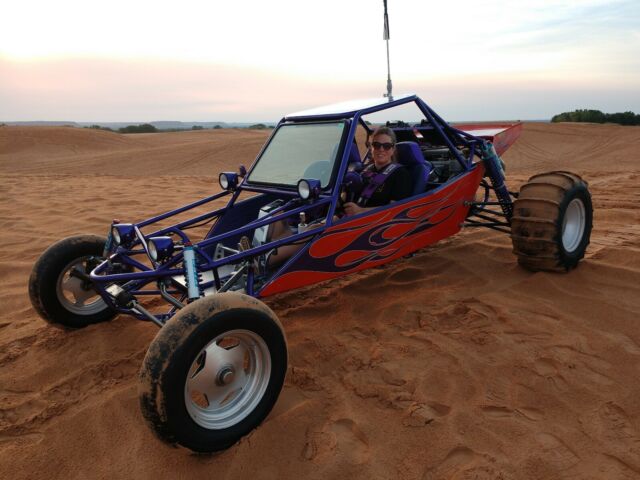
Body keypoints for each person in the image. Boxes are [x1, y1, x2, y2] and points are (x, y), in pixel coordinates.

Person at [264, 126, 412, 266]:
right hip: (346, 217)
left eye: (386, 146)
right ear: (371, 147)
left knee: (313, 231)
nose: (381, 149)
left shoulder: (400, 174)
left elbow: (396, 210)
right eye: (376, 145)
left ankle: (266, 261)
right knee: (279, 216)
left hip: (370, 225)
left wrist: (360, 211)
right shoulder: (366, 170)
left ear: (393, 149)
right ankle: (268, 248)